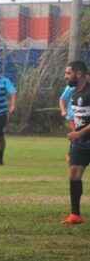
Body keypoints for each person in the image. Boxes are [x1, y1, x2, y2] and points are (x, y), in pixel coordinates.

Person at [62, 60, 90, 225]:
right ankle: (75, 215)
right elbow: (76, 117)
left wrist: (79, 133)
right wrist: (74, 132)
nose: (66, 77)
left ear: (78, 73)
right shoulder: (74, 93)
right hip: (80, 142)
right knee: (74, 174)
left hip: (83, 137)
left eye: (68, 73)